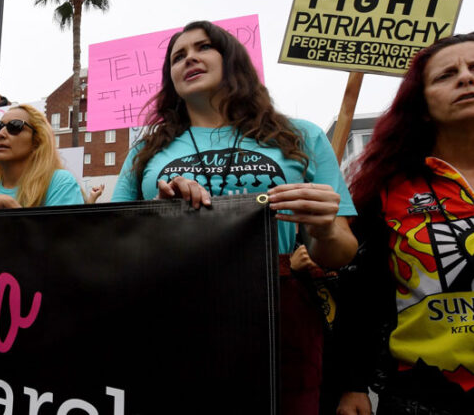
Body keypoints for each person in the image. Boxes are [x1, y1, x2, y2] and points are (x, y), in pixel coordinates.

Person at [111, 21, 357, 414]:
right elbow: (113, 241)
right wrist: (158, 212)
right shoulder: (145, 151)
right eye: (177, 56)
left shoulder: (301, 135)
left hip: (279, 309)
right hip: (174, 305)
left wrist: (324, 228)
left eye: (204, 47)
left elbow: (341, 252)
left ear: (233, 60)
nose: (189, 58)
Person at [336, 32, 474, 415]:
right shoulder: (387, 190)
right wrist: (352, 384)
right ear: (423, 107)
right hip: (424, 396)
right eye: (446, 75)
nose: (466, 77)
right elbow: (359, 296)